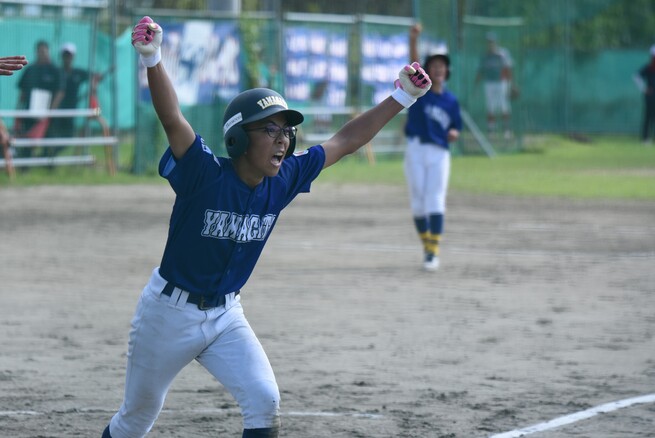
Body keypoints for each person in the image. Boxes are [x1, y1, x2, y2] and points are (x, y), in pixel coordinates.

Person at [101, 16, 430, 438]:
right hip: (167, 315)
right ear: (237, 139)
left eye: (288, 132)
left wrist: (401, 96)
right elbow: (172, 119)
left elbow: (344, 142)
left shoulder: (283, 181)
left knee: (264, 400)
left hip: (225, 315)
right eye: (270, 130)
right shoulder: (204, 174)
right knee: (136, 419)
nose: (283, 140)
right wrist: (152, 57)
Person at [403, 23, 462, 272]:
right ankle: (427, 245)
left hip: (439, 153)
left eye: (442, 65)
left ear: (447, 71)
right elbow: (413, 62)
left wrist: (454, 133)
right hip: (415, 149)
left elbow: (456, 127)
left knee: (434, 199)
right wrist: (413, 40)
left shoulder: (451, 101)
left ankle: (432, 251)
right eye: (434, 65)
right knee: (418, 201)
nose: (438, 69)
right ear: (428, 70)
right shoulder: (421, 92)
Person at [15, 40, 64, 158]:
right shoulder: (30, 69)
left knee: (49, 140)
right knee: (27, 139)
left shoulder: (55, 70)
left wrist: (50, 111)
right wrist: (18, 112)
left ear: (48, 51)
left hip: (47, 112)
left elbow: (60, 91)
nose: (42, 54)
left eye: (44, 51)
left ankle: (48, 164)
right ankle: (25, 164)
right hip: (30, 111)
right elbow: (22, 92)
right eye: (40, 51)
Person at [475, 31, 513, 139]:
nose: (490, 43)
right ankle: (491, 131)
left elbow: (508, 68)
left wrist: (511, 84)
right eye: (488, 41)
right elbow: (480, 71)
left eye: (492, 41)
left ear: (496, 42)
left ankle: (507, 130)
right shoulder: (485, 56)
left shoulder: (502, 54)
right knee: (490, 106)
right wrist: (476, 85)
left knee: (503, 106)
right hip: (489, 83)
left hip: (502, 82)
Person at [634, 44, 655, 144]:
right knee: (648, 117)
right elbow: (636, 76)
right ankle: (646, 138)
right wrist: (644, 89)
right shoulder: (649, 68)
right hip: (650, 96)